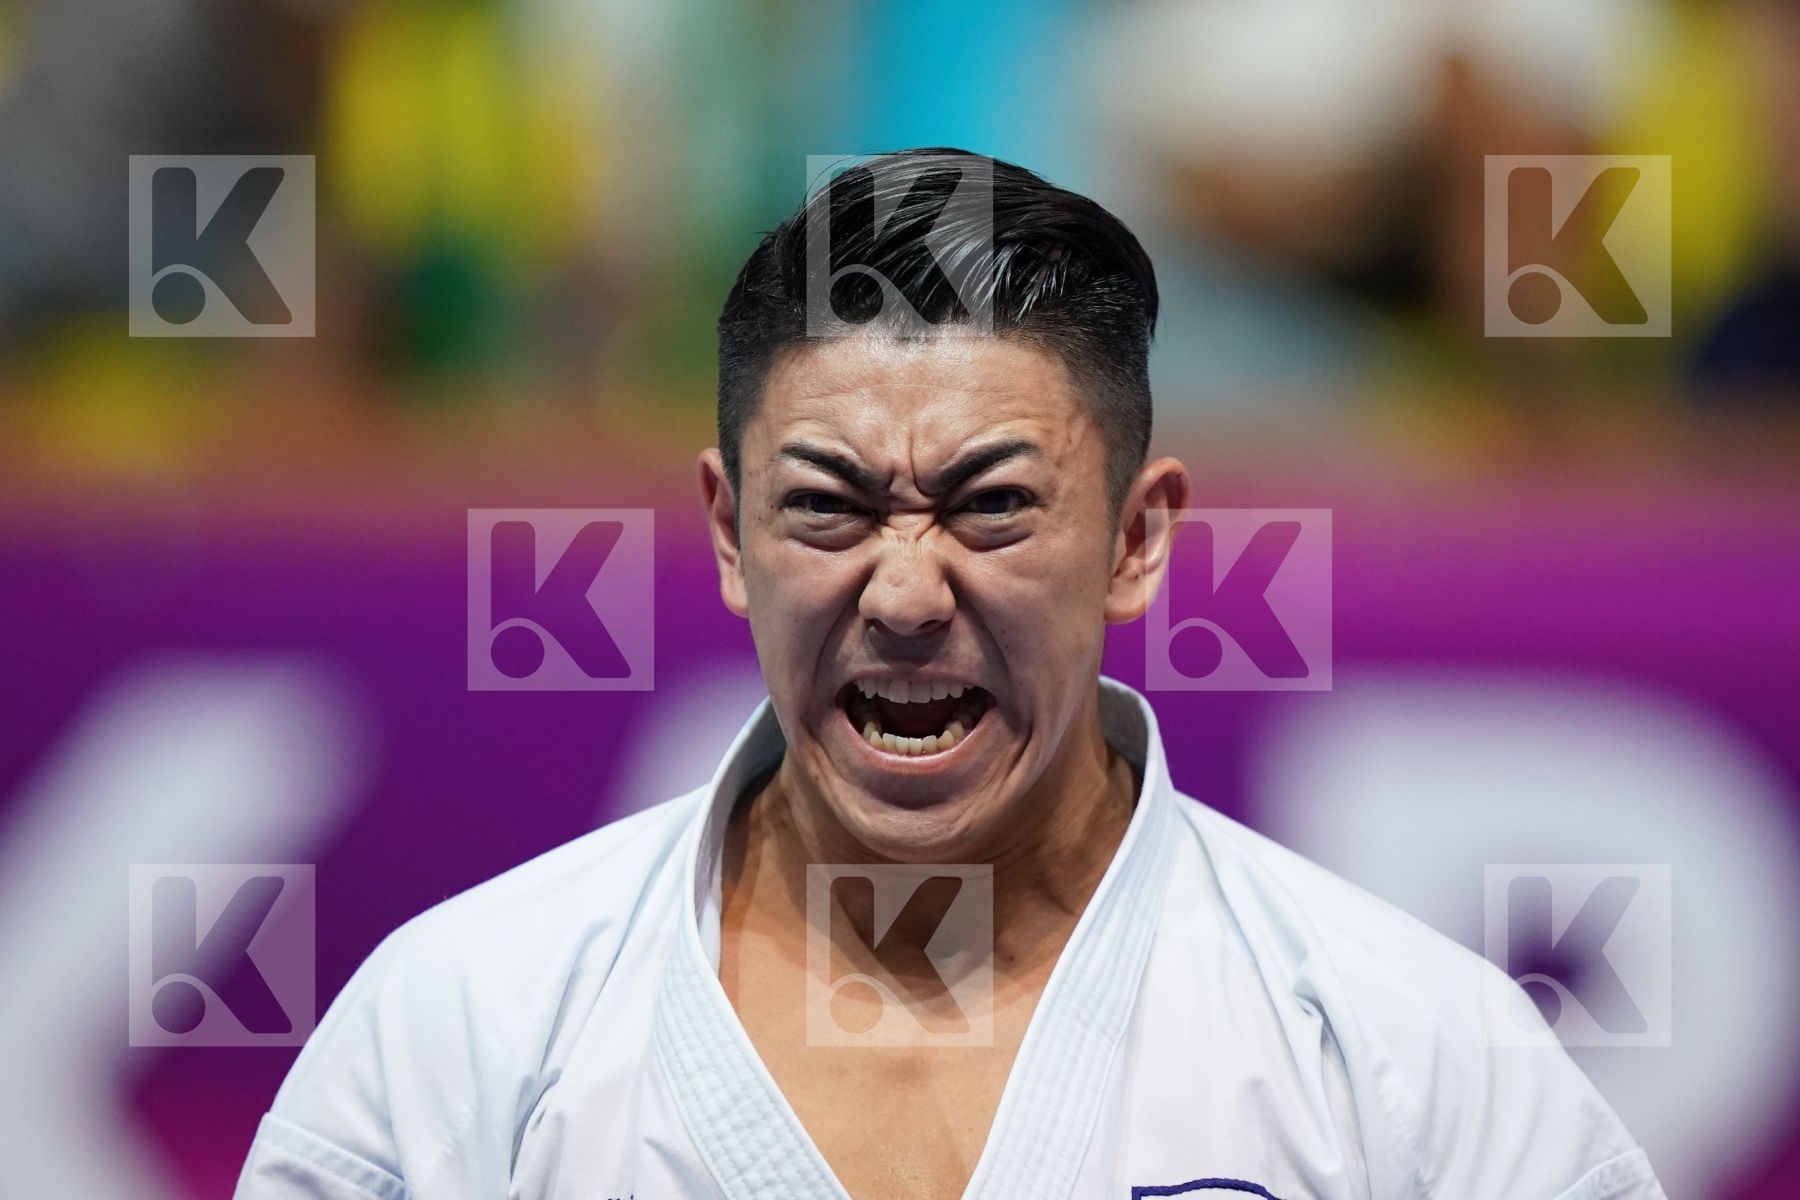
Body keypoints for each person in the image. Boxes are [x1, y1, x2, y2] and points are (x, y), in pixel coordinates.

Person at [234, 149, 1665, 1200]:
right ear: (730, 535)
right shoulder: (462, 1035)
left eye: (991, 504)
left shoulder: (1413, 1059)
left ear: (1136, 538)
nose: (907, 593)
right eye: (827, 506)